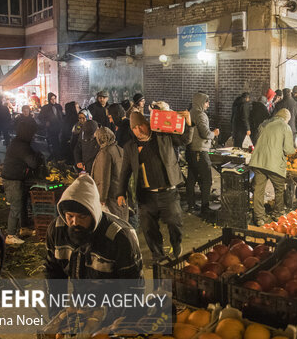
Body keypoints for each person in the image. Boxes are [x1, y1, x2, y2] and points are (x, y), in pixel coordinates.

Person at [117, 111, 194, 261]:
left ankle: (176, 244)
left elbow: (185, 140)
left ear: (147, 124)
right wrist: (120, 193)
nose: (138, 131)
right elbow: (125, 172)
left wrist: (189, 123)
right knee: (148, 228)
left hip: (168, 192)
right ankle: (158, 255)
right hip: (146, 196)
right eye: (134, 128)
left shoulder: (162, 136)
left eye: (141, 126)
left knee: (174, 222)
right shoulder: (130, 147)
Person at [45, 175, 143, 280]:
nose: (75, 222)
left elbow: (132, 287)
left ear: (93, 214)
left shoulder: (120, 236)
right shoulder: (57, 230)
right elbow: (53, 273)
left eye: (82, 217)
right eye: (70, 216)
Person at [249, 108, 295, 226]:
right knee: (279, 189)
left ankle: (259, 217)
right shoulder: (285, 127)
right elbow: (288, 149)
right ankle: (278, 213)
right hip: (274, 163)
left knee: (258, 190)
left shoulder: (264, 124)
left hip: (258, 161)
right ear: (286, 119)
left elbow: (256, 140)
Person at [2, 118, 44, 245]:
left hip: (18, 178)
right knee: (16, 206)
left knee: (22, 204)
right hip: (12, 180)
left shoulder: (19, 142)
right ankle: (10, 235)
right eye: (32, 133)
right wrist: (38, 156)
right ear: (27, 133)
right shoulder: (20, 146)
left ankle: (24, 228)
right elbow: (32, 163)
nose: (34, 135)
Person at [187, 92, 218, 216]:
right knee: (207, 179)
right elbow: (205, 133)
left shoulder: (190, 113)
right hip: (200, 150)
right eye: (207, 102)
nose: (208, 105)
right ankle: (205, 207)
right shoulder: (201, 115)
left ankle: (190, 205)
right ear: (201, 102)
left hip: (190, 150)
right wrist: (214, 133)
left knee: (191, 178)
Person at [91, 127, 128, 220]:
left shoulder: (105, 153)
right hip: (120, 191)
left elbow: (103, 178)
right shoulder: (119, 149)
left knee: (113, 221)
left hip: (110, 194)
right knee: (122, 218)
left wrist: (102, 198)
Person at [39, 92, 64, 160]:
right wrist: (45, 123)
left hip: (59, 127)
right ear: (49, 100)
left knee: (59, 142)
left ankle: (58, 156)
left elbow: (61, 115)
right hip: (51, 128)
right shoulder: (45, 108)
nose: (53, 101)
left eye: (54, 99)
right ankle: (55, 157)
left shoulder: (58, 106)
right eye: (52, 99)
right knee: (53, 143)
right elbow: (40, 117)